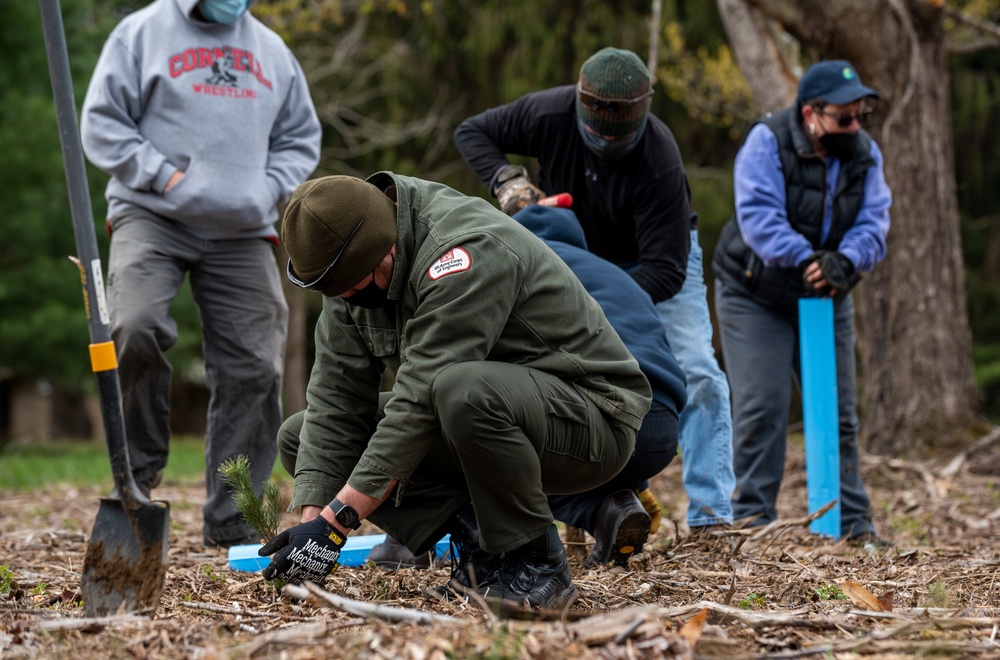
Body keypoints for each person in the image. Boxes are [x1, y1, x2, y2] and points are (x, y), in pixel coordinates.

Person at [261, 173, 651, 609]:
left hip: (589, 419)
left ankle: (537, 561)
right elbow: (335, 401)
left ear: (383, 244)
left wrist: (339, 521)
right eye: (339, 290)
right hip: (482, 416)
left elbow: (418, 405)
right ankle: (482, 555)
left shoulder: (464, 249)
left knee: (459, 390)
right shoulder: (347, 271)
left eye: (356, 283)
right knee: (299, 435)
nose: (349, 296)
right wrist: (312, 525)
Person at [453, 46, 735, 535]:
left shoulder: (660, 160)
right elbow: (472, 131)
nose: (605, 138)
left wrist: (608, 301)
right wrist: (508, 180)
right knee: (560, 372)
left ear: (642, 113)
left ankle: (713, 515)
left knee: (696, 369)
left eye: (617, 133)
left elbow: (666, 273)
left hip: (650, 259)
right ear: (582, 104)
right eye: (596, 130)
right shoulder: (548, 112)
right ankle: (606, 488)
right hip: (570, 250)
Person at [80, 0, 322, 548]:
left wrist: (267, 187)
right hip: (152, 213)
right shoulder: (140, 33)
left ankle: (232, 516)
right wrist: (162, 177)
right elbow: (101, 123)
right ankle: (135, 481)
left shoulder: (272, 52)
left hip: (242, 228)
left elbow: (299, 137)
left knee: (256, 364)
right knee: (134, 326)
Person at [712, 60, 892, 543]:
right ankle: (752, 521)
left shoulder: (863, 153)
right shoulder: (766, 141)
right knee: (762, 405)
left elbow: (876, 220)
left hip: (827, 292)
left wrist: (846, 262)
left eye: (860, 116)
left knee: (838, 408)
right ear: (811, 114)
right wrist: (808, 257)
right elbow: (758, 216)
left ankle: (852, 523)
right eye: (844, 118)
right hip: (757, 293)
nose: (854, 127)